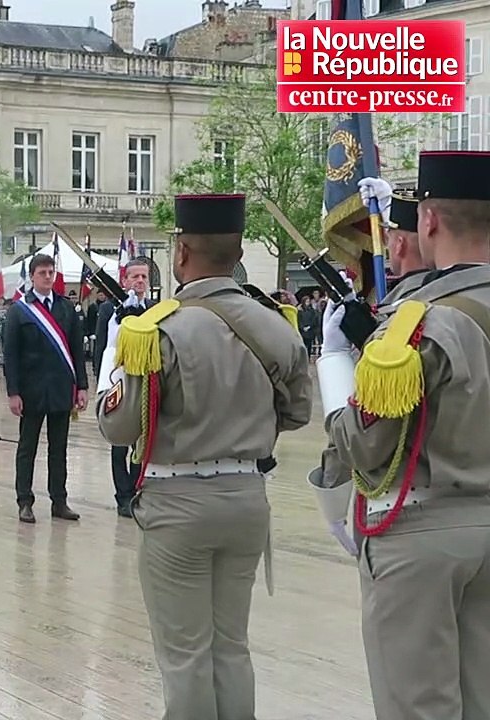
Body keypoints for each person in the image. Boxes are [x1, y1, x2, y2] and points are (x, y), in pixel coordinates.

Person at [94, 193, 312, 720]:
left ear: (183, 253)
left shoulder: (159, 330)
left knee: (186, 656)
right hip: (245, 498)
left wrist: (112, 363)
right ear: (236, 254)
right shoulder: (275, 325)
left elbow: (119, 425)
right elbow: (298, 411)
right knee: (231, 647)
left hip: (178, 503)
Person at [318, 152, 490, 720]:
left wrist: (336, 365)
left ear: (431, 221)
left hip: (421, 535)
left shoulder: (417, 324)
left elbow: (365, 444)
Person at [2, 254, 87, 523]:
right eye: (42, 272)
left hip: (61, 388)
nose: (48, 276)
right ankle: (24, 500)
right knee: (27, 447)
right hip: (31, 390)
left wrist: (82, 387)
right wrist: (13, 392)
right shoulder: (19, 310)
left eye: (51, 272)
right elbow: (11, 354)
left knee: (58, 447)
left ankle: (59, 501)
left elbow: (76, 349)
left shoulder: (65, 308)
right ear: (32, 276)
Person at [96, 258, 155, 517]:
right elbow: (102, 349)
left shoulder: (154, 308)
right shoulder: (111, 309)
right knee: (119, 441)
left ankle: (137, 489)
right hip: (119, 380)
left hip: (145, 382)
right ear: (125, 280)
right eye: (135, 277)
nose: (140, 281)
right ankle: (123, 496)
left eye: (143, 276)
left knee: (142, 441)